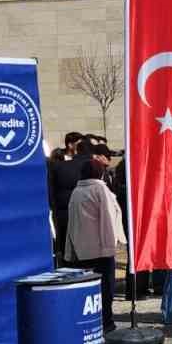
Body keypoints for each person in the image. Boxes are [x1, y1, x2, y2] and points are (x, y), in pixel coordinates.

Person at [65, 159, 125, 333]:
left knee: (88, 291)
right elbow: (107, 219)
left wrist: (70, 249)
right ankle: (106, 322)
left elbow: (72, 223)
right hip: (101, 249)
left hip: (82, 250)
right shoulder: (100, 189)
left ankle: (90, 322)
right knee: (106, 289)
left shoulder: (77, 191)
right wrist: (110, 247)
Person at [47, 132, 84, 258]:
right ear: (70, 145)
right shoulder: (57, 160)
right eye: (78, 144)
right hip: (62, 206)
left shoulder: (79, 161)